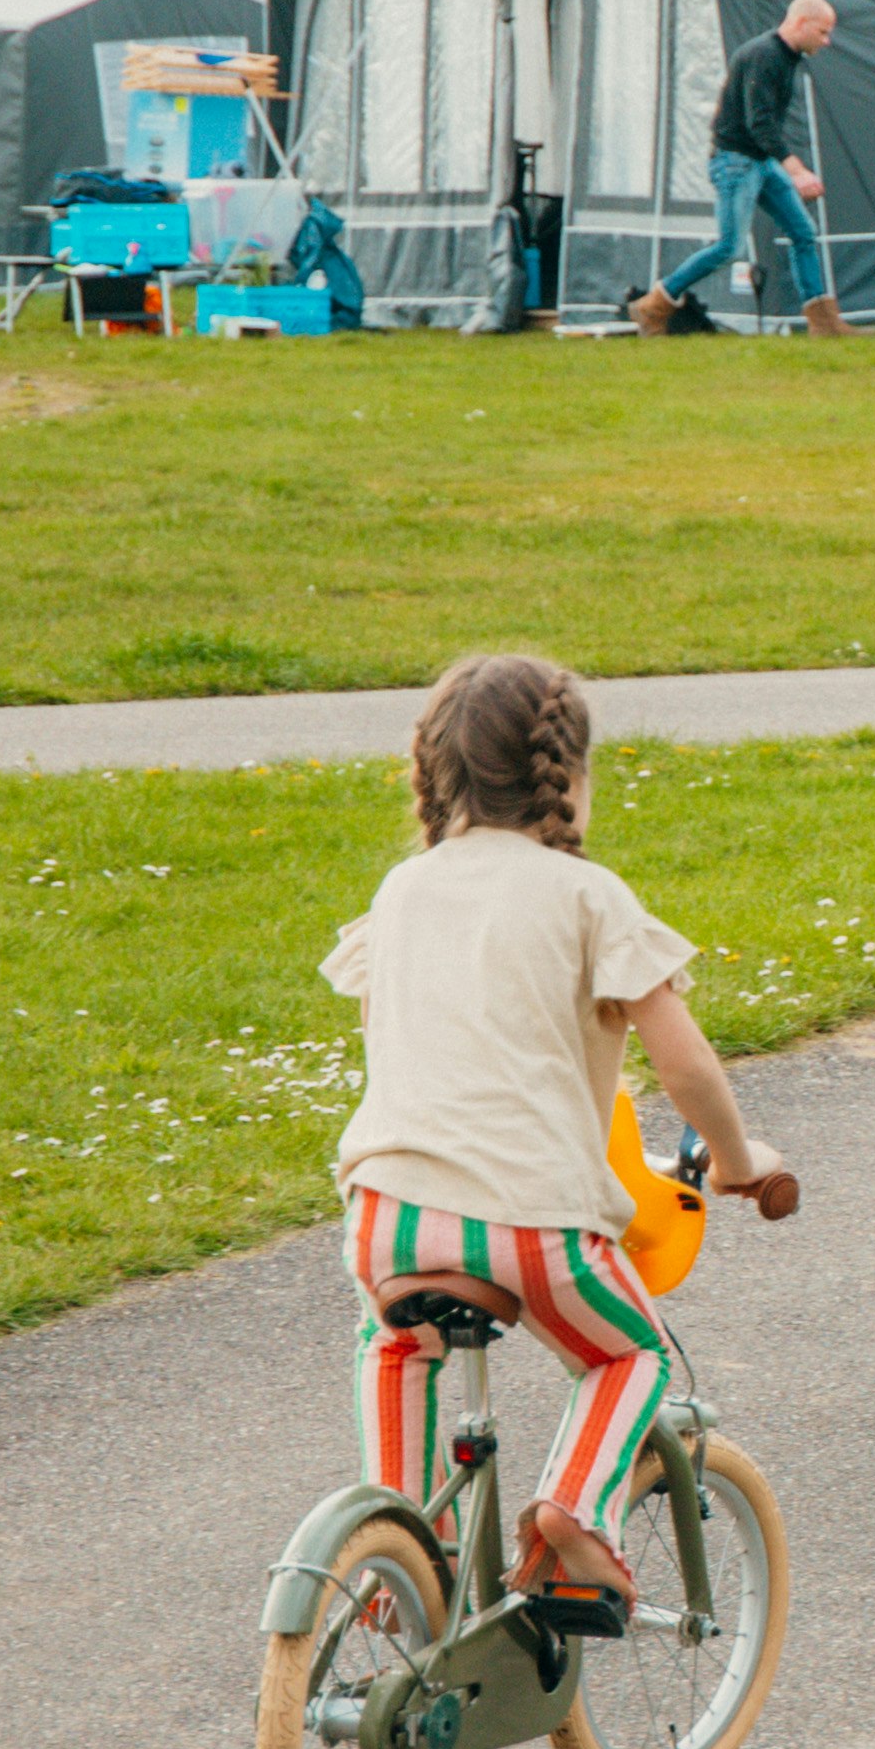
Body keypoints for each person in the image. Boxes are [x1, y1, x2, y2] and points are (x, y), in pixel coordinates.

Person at [322, 654, 797, 1627]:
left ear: (434, 774)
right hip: (529, 1218)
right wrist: (741, 1159)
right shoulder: (588, 897)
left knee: (393, 1340)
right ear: (567, 776)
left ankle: (404, 1545)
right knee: (633, 1358)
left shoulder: (402, 891)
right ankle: (573, 1511)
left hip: (386, 1218)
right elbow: (686, 1069)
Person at [637, 0, 844, 336]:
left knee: (804, 233)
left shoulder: (786, 57)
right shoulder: (763, 56)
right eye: (822, 32)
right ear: (801, 23)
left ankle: (824, 324)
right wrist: (797, 170)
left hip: (760, 162)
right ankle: (653, 305)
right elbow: (758, 124)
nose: (827, 41)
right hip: (735, 162)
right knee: (729, 247)